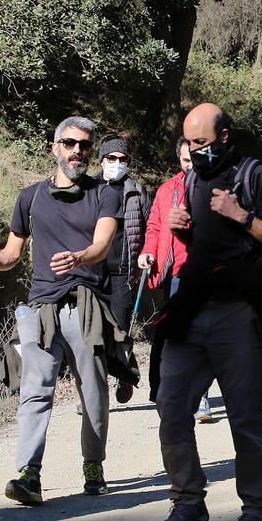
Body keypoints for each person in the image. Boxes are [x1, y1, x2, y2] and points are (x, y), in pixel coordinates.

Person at [154, 103, 262, 521]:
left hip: (238, 314)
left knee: (246, 418)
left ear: (225, 137)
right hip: (191, 307)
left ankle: (257, 510)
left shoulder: (254, 174)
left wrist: (242, 216)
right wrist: (182, 229)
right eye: (190, 144)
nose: (195, 151)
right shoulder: (192, 179)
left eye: (203, 143)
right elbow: (208, 243)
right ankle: (188, 500)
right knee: (171, 407)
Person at [0, 116, 123, 505]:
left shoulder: (105, 194)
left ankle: (93, 465)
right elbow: (12, 254)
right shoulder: (30, 197)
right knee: (35, 392)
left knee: (94, 393)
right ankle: (28, 475)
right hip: (41, 307)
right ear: (54, 147)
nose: (78, 151)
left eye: (84, 145)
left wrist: (80, 258)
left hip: (86, 304)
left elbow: (102, 245)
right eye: (70, 143)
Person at [97, 132, 149, 404]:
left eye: (123, 159)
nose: (117, 163)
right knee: (92, 333)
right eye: (112, 158)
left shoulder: (136, 190)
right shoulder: (88, 188)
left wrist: (147, 253)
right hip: (92, 273)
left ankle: (125, 375)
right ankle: (94, 391)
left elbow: (150, 226)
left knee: (120, 329)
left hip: (124, 273)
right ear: (102, 159)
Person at [139, 136, 192, 405]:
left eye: (194, 158)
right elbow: (155, 227)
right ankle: (159, 388)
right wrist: (148, 251)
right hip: (169, 271)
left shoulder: (213, 189)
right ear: (178, 159)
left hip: (197, 270)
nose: (190, 164)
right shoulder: (166, 189)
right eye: (185, 160)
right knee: (168, 331)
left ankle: (197, 393)